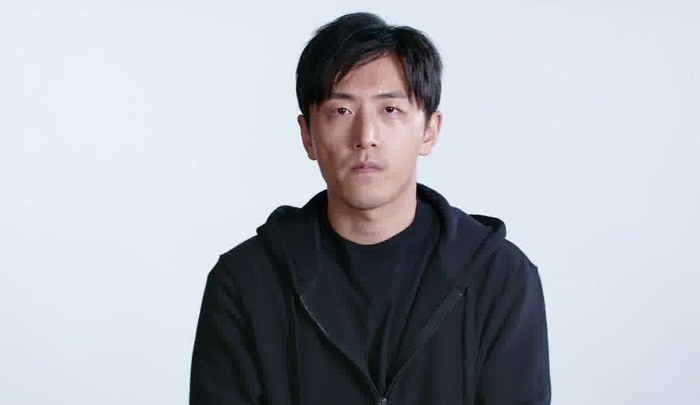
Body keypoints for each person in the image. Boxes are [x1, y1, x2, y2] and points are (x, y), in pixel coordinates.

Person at [190, 12, 551, 405]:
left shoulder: (500, 279)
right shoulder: (245, 284)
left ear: (430, 130)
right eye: (341, 111)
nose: (365, 137)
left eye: (390, 110)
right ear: (308, 136)